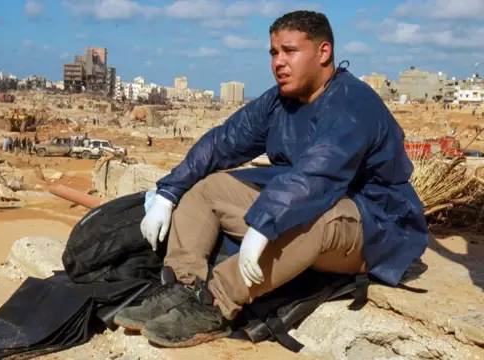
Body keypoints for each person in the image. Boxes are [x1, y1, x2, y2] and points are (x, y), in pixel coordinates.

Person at [113, 10, 428, 348]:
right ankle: (183, 287)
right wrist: (168, 193)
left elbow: (318, 175)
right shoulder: (281, 102)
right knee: (208, 189)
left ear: (323, 53)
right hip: (305, 201)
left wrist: (264, 224)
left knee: (314, 218)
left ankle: (215, 305)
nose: (279, 62)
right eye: (274, 53)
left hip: (373, 224)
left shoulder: (353, 103)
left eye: (290, 51)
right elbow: (223, 142)